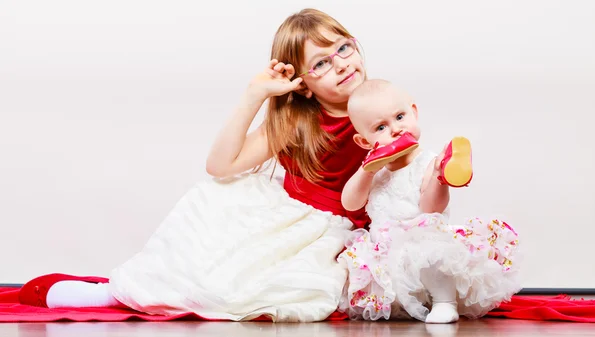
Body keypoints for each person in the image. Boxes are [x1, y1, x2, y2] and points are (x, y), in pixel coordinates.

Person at [18, 8, 372, 322]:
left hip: (347, 234)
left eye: (343, 47)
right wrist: (254, 95)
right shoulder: (297, 122)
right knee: (220, 274)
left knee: (301, 292)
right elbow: (221, 165)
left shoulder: (385, 105)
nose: (341, 63)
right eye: (322, 63)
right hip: (297, 221)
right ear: (304, 85)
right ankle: (121, 293)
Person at [337, 79, 521, 323]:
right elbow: (350, 203)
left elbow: (430, 208)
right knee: (359, 266)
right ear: (364, 142)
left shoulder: (426, 162)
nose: (395, 129)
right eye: (380, 128)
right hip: (387, 248)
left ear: (414, 112)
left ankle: (445, 302)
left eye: (400, 117)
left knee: (430, 253)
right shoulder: (375, 172)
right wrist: (367, 170)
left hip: (421, 237)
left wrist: (437, 176)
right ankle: (399, 303)